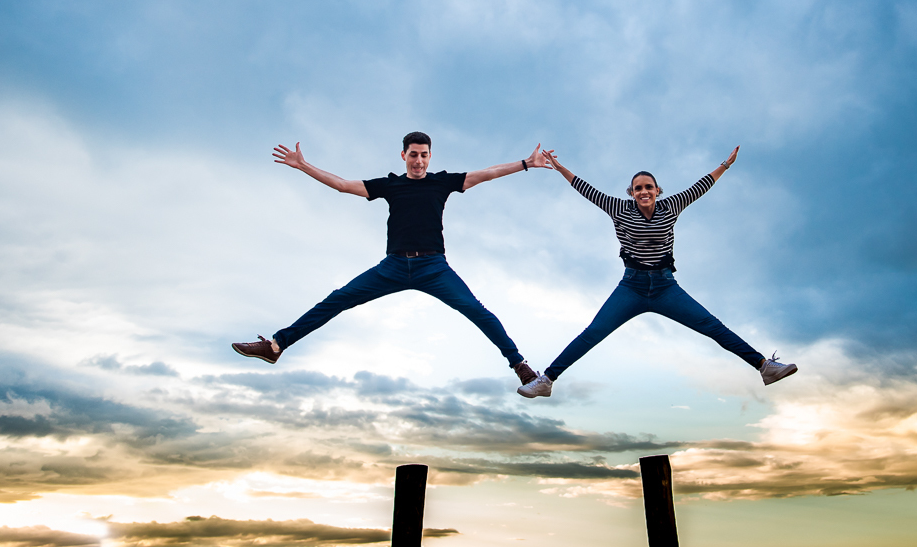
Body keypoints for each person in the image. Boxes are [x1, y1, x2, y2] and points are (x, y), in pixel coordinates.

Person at [232, 131, 548, 388]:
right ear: (404, 156)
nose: (419, 160)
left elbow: (488, 174)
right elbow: (343, 185)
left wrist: (526, 163)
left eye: (424, 155)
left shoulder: (442, 182)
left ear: (430, 156)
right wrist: (304, 166)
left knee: (478, 312)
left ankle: (519, 365)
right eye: (413, 154)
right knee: (337, 299)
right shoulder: (391, 185)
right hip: (394, 267)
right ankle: (276, 346)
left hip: (433, 267)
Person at [516, 145, 796, 398]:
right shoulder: (618, 208)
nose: (643, 192)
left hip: (665, 287)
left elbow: (701, 186)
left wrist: (726, 164)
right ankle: (547, 379)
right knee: (593, 333)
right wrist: (560, 167)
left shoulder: (671, 206)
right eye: (637, 188)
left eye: (648, 187)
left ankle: (764, 367)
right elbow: (585, 188)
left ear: (657, 190)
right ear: (632, 193)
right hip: (631, 287)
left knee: (712, 326)